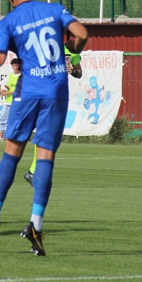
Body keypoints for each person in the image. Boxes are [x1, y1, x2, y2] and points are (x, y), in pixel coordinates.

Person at [0, 0, 88, 256]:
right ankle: (35, 224)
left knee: (11, 153)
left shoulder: (9, 21)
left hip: (28, 93)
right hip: (56, 91)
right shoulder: (54, 9)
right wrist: (74, 50)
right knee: (45, 156)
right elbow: (82, 34)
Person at [24, 46, 82, 186]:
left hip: (58, 96)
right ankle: (33, 173)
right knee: (43, 132)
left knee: (49, 135)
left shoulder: (71, 50)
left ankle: (33, 172)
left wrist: (72, 71)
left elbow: (79, 72)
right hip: (42, 93)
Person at [0, 58, 22, 143]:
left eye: (17, 65)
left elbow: (19, 90)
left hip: (17, 101)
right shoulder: (10, 76)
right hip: (8, 101)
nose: (15, 67)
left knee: (16, 120)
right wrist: (0, 89)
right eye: (14, 66)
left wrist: (7, 92)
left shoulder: (22, 77)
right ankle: (1, 136)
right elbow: (0, 84)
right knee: (2, 118)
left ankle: (16, 137)